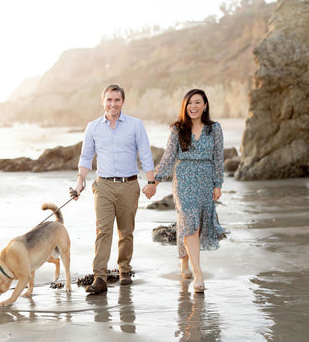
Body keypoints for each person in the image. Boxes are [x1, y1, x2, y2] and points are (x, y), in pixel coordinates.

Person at [74, 84, 156, 294]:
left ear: (122, 102)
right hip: (103, 186)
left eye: (117, 100)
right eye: (109, 100)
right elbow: (86, 157)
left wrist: (151, 182)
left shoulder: (135, 125)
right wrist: (80, 181)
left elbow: (145, 154)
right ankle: (99, 277)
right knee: (103, 231)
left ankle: (124, 270)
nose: (113, 104)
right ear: (103, 102)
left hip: (129, 185)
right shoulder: (92, 127)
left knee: (126, 232)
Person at [142, 89, 225, 293]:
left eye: (197, 102)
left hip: (205, 181)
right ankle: (198, 273)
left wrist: (218, 184)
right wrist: (154, 182)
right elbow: (169, 158)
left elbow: (218, 158)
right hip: (184, 180)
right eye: (189, 103)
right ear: (185, 107)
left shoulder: (214, 129)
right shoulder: (177, 129)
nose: (193, 107)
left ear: (205, 105)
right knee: (190, 223)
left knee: (194, 224)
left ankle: (184, 262)